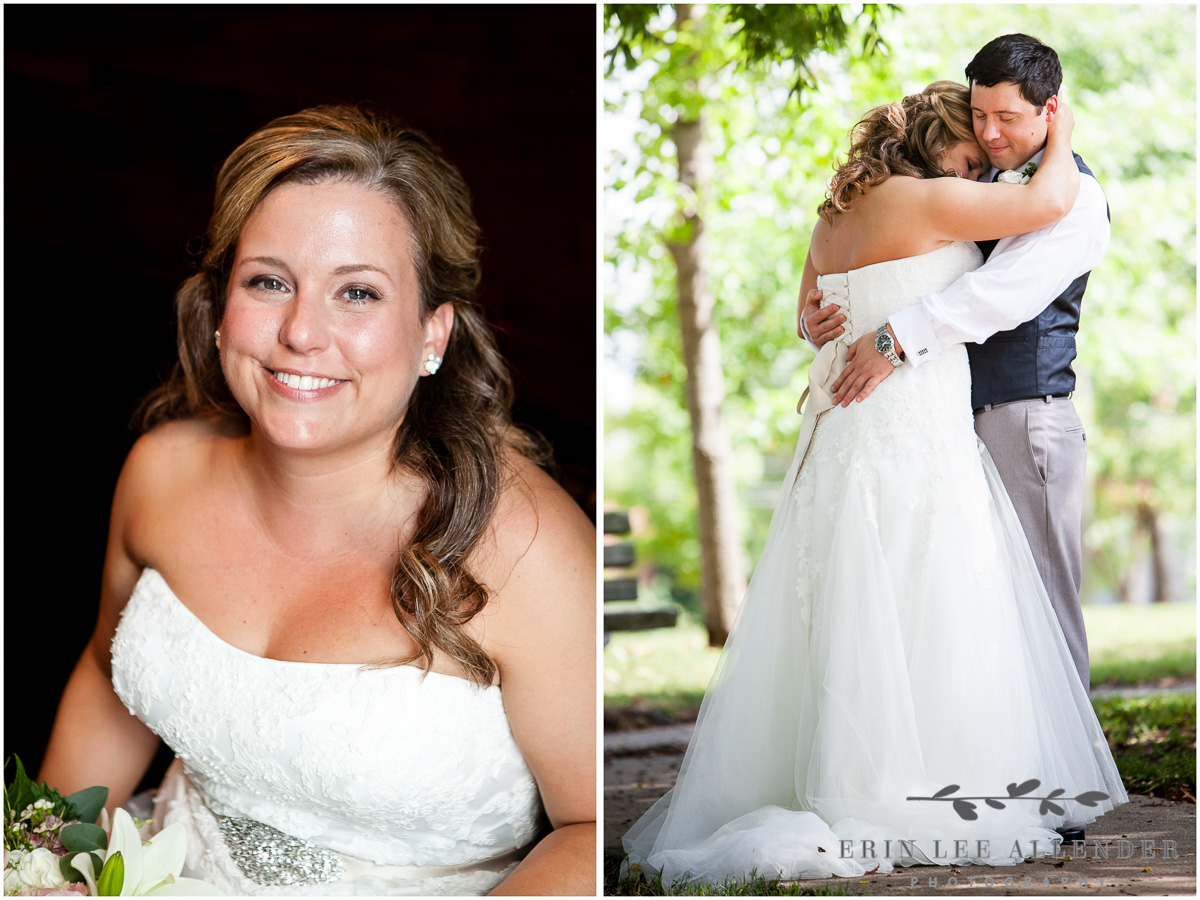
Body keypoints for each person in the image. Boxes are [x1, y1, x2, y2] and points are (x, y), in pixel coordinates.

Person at [39, 105, 596, 896]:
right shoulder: (161, 471)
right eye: (269, 282)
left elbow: (589, 824)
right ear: (221, 305)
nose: (301, 332)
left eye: (358, 293)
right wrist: (39, 857)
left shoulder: (530, 550)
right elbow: (106, 676)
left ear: (433, 333)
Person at [622, 81, 1126, 888]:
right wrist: (1056, 126)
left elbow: (809, 303)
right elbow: (1051, 199)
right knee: (926, 595)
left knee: (851, 603)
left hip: (844, 435)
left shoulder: (836, 213)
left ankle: (835, 772)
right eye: (971, 151)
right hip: (909, 428)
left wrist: (812, 319)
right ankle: (912, 785)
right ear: (937, 148)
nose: (982, 166)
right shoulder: (934, 201)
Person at [805, 35, 1107, 708]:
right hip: (942, 420)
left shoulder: (1075, 195)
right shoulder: (962, 191)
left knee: (1045, 604)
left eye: (1007, 118)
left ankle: (1066, 795)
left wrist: (892, 336)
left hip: (1023, 414)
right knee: (982, 609)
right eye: (980, 117)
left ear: (1050, 113)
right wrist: (817, 320)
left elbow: (995, 297)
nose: (990, 135)